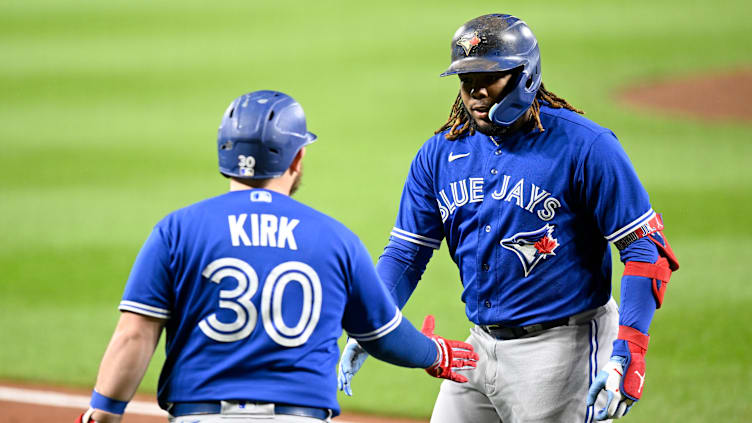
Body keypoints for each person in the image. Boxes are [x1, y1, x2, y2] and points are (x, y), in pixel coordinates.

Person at [338, 14, 679, 422]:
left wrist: (628, 354)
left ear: (526, 75)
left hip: (562, 350)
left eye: (489, 77)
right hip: (479, 346)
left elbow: (644, 251)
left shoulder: (587, 147)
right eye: (466, 80)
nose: (476, 92)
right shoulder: (439, 154)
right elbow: (406, 254)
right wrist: (377, 317)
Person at [75, 90, 478, 423]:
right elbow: (383, 335)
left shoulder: (176, 231)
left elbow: (134, 334)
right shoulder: (335, 240)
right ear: (296, 158)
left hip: (201, 415)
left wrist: (106, 411)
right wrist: (435, 353)